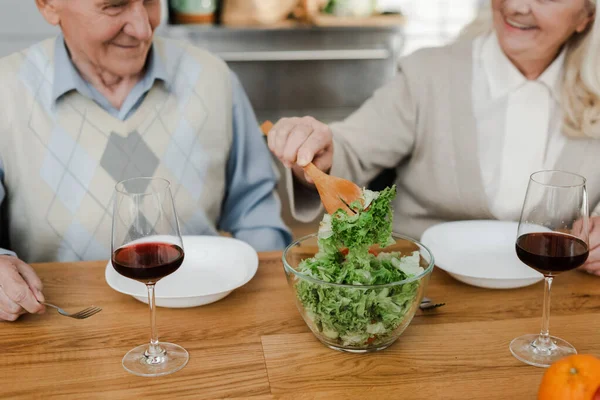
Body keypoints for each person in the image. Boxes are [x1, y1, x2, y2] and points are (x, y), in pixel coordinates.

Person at [0, 0, 291, 321]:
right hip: (67, 331)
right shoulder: (7, 92)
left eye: (151, 1)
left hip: (204, 324)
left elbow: (257, 217)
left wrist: (263, 303)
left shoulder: (213, 77)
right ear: (48, 6)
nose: (143, 28)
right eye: (114, 6)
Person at [267, 0, 600, 274]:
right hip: (421, 283)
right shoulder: (427, 74)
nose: (517, 6)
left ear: (586, 15)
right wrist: (318, 148)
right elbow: (350, 148)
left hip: (557, 294)